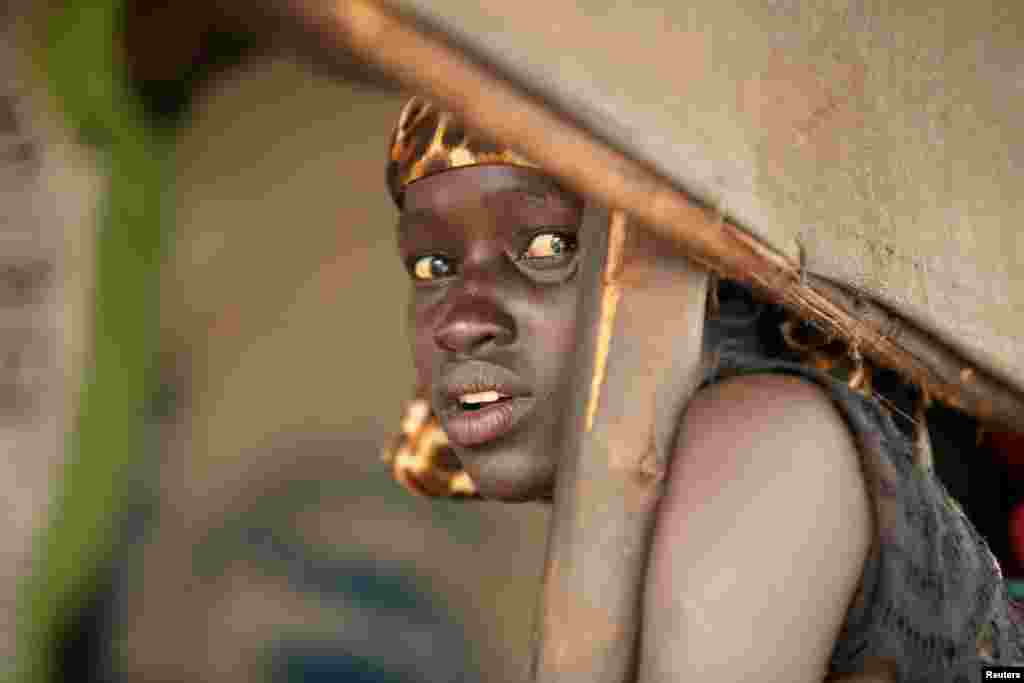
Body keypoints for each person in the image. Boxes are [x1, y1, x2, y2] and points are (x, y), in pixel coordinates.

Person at [381, 96, 1024, 682]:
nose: (461, 322)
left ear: (711, 279)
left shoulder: (762, 447)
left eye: (549, 246)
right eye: (433, 265)